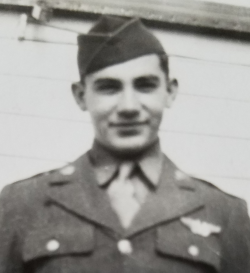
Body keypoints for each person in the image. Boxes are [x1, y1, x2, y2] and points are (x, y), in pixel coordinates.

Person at [0, 15, 249, 273]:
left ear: (170, 92)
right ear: (81, 96)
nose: (128, 107)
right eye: (109, 88)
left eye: (145, 86)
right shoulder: (22, 204)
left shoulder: (224, 213)